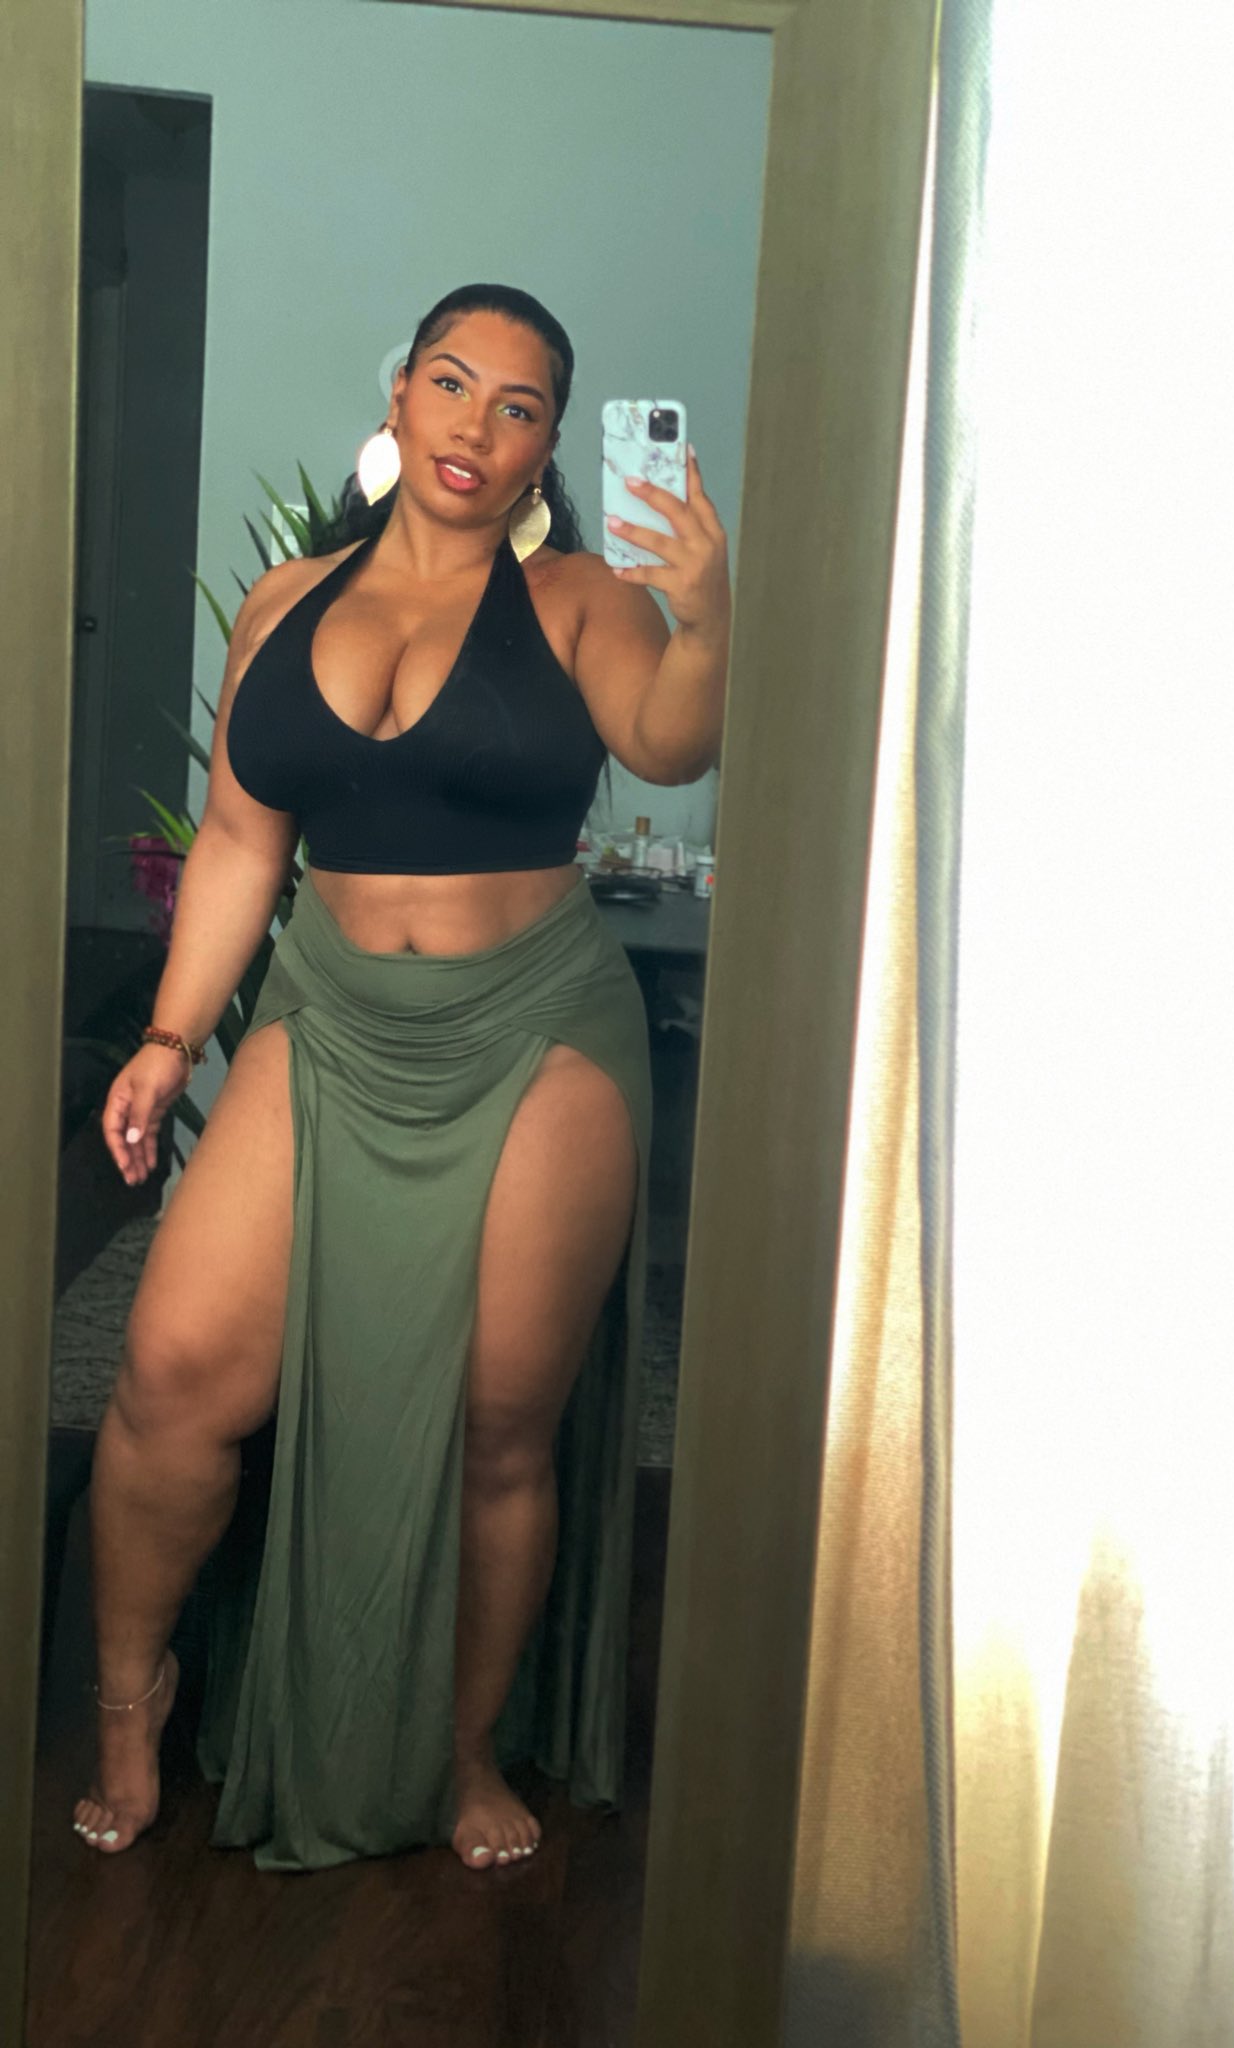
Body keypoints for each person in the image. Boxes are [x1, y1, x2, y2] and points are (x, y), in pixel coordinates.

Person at [70, 283, 730, 1873]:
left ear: (544, 449)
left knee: (499, 1422)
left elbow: (669, 744)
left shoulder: (579, 601)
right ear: (400, 396)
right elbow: (244, 841)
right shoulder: (284, 605)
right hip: (328, 1016)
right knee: (171, 1375)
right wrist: (169, 1036)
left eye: (518, 405)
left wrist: (709, 619)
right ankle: (130, 1703)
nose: (475, 423)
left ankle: (462, 1746)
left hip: (535, 1028)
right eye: (451, 381)